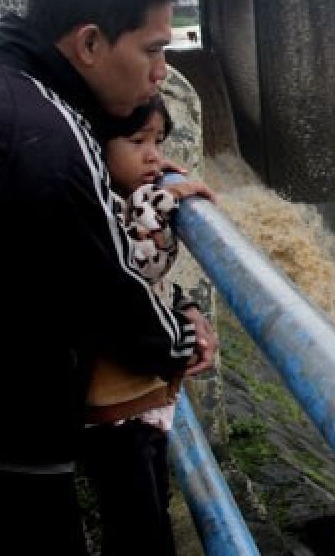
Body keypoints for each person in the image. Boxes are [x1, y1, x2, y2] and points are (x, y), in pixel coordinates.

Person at [0, 0, 216, 555]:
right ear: (91, 43)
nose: (160, 75)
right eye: (153, 50)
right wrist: (185, 331)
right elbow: (111, 294)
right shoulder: (41, 132)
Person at [82, 94, 215, 556]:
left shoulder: (119, 196)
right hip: (118, 404)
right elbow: (138, 261)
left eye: (158, 141)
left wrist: (185, 308)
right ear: (95, 144)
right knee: (138, 520)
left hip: (142, 394)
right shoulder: (99, 206)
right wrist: (165, 196)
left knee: (150, 500)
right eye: (138, 140)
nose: (154, 155)